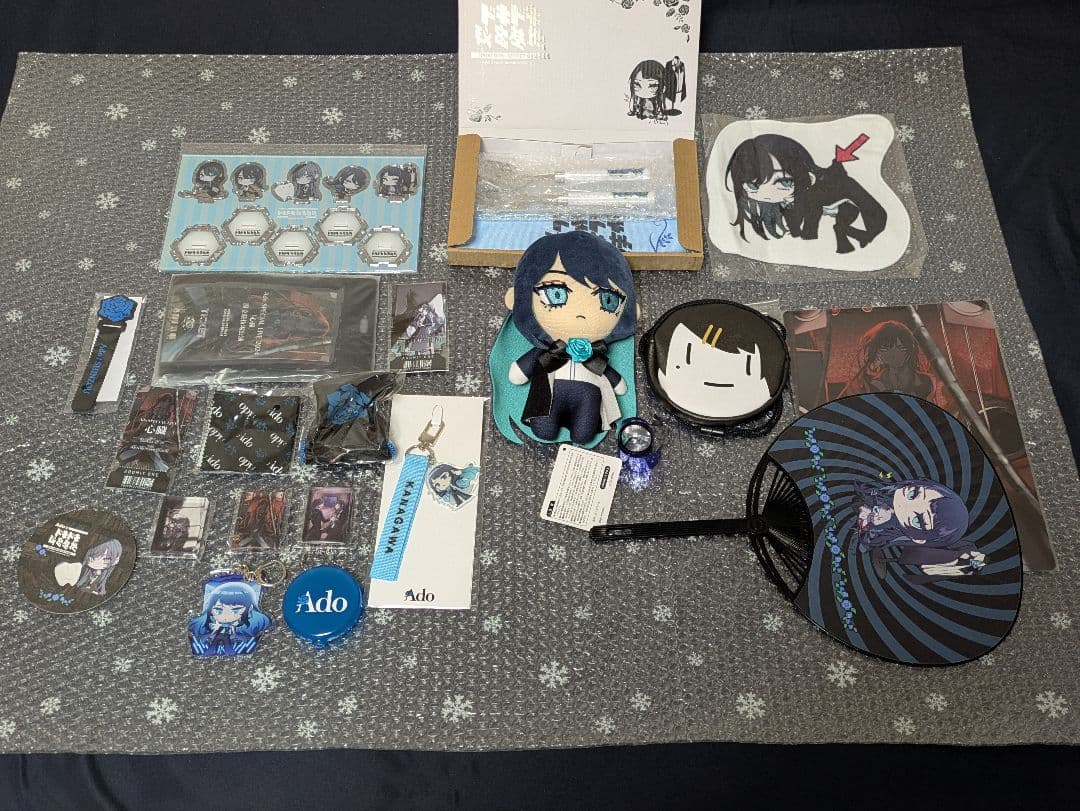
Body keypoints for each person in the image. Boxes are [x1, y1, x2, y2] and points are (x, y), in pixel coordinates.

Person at [496, 231, 638, 444]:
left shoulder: (595, 356)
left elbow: (606, 371)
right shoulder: (549, 352)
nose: (581, 314)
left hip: (588, 396)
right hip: (550, 393)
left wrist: (616, 382)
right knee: (544, 429)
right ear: (515, 299)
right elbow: (520, 373)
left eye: (608, 301)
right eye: (556, 294)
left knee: (584, 434)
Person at [725, 133, 887, 253]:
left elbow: (875, 215)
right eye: (752, 185)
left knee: (875, 219)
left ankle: (847, 235)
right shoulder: (787, 202)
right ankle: (845, 236)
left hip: (842, 195)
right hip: (827, 207)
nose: (767, 193)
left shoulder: (818, 189)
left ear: (807, 178)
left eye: (784, 182)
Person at [854, 478, 985, 580]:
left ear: (919, 539)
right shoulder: (884, 496)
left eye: (918, 520)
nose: (903, 505)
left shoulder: (891, 531)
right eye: (913, 494)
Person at [188, 578, 271, 656]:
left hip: (230, 639)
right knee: (216, 643)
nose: (226, 616)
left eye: (235, 610)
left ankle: (228, 650)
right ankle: (213, 650)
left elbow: (236, 634)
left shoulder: (241, 627)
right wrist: (214, 630)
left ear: (250, 609)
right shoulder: (211, 624)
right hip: (217, 637)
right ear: (210, 609)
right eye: (218, 610)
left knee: (227, 643)